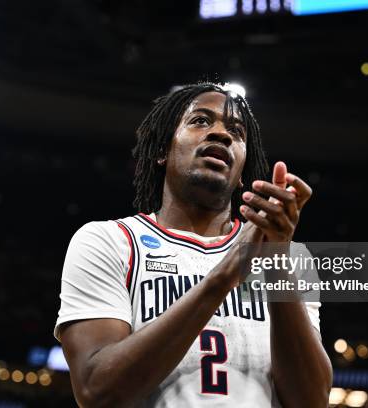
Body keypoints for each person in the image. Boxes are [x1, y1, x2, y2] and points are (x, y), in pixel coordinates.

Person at [54, 82, 332, 407]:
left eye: (236, 132)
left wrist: (275, 261)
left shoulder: (290, 257)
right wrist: (224, 275)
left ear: (242, 169)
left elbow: (311, 402)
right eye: (200, 121)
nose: (221, 134)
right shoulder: (108, 242)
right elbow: (96, 391)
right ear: (162, 151)